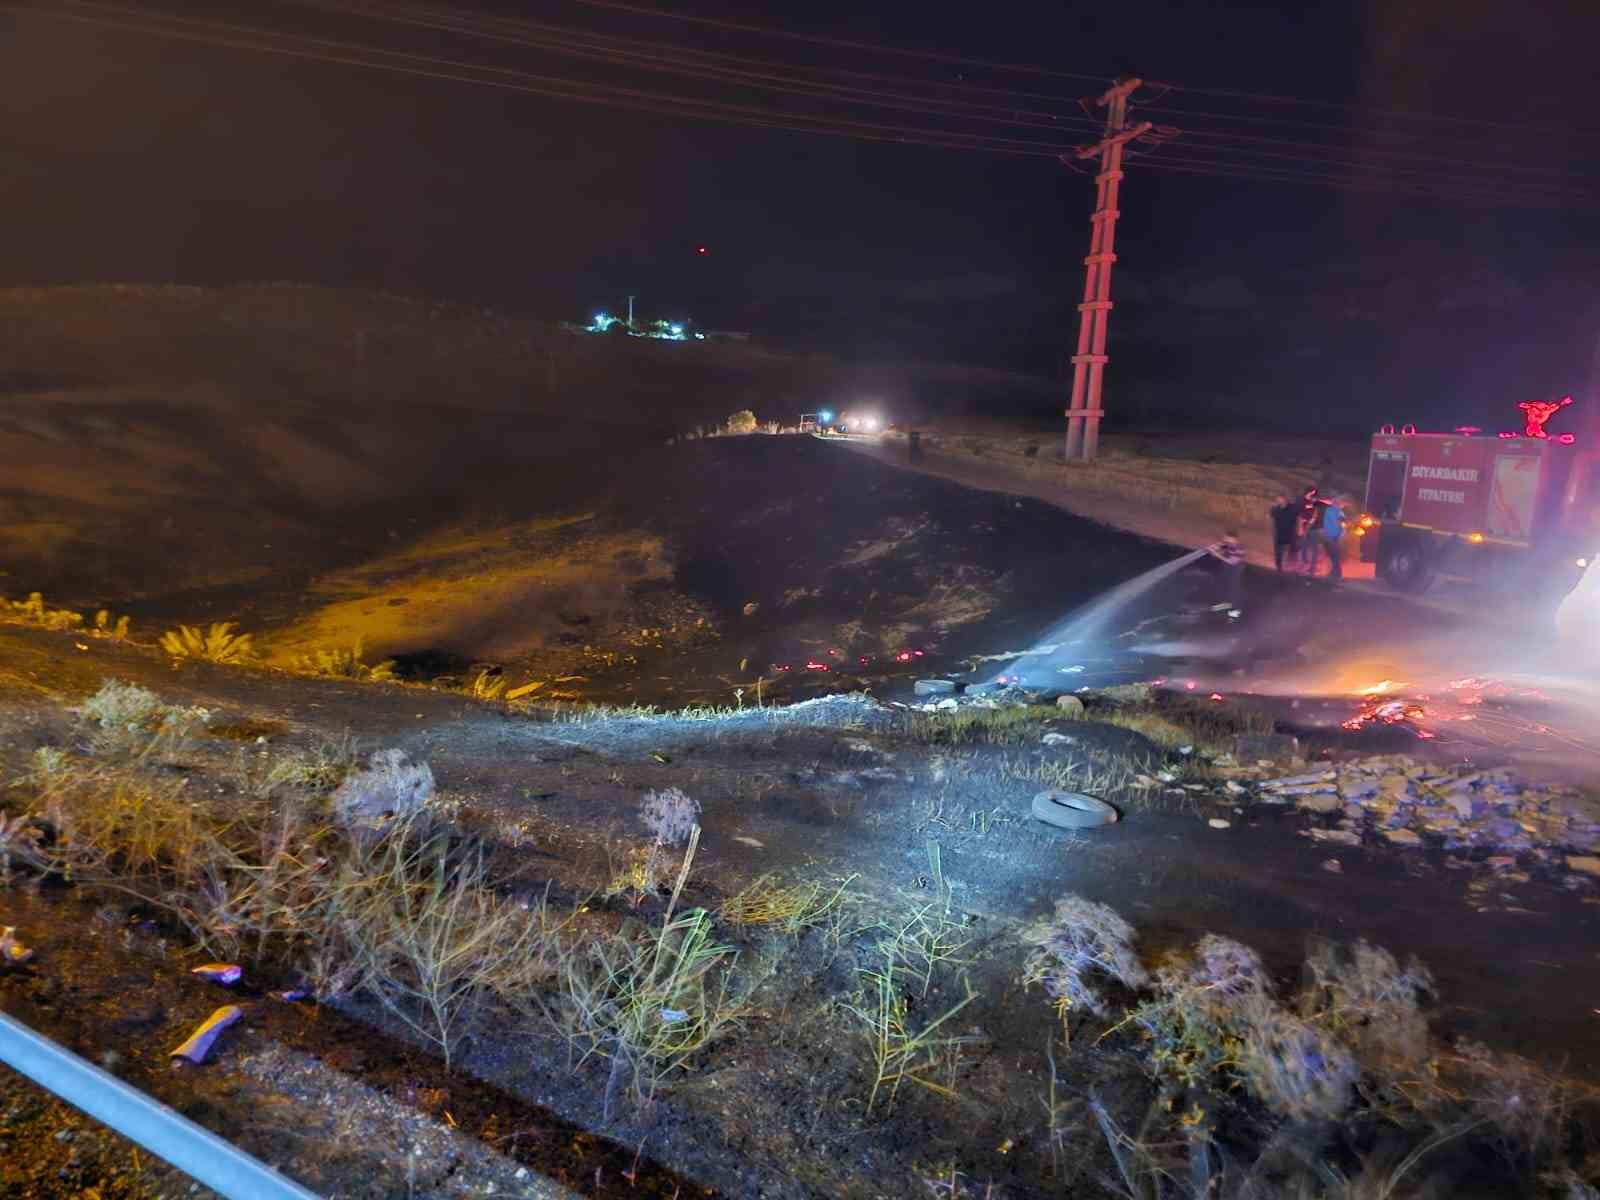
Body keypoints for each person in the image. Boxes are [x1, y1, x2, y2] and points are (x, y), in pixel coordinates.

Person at [1209, 530, 1246, 608]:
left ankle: (1234, 604)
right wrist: (1215, 547)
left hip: (1235, 568)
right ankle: (1223, 603)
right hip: (1227, 567)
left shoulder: (1239, 549)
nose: (1226, 541)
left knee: (1233, 585)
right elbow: (1219, 548)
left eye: (1228, 539)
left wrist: (1217, 554)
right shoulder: (1228, 545)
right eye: (1225, 539)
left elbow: (1231, 561)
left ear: (1235, 540)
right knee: (1222, 583)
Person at [1297, 486, 1329, 575]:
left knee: (1314, 549)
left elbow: (1330, 503)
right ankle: (1305, 564)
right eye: (1311, 495)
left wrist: (1320, 500)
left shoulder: (1319, 504)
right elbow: (1301, 515)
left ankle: (1312, 568)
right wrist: (1301, 527)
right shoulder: (1304, 502)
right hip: (1308, 528)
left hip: (1316, 529)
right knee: (1304, 546)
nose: (1312, 498)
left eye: (1314, 495)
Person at [1269, 495, 1300, 571]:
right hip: (1279, 533)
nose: (1278, 501)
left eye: (1280, 500)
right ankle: (1279, 566)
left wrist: (1298, 529)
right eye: (1277, 500)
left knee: (1292, 549)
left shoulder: (1292, 508)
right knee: (1278, 551)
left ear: (1284, 499)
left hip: (1290, 532)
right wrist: (1273, 531)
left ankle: (1292, 565)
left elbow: (1298, 517)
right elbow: (1272, 518)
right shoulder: (1275, 509)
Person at [1321, 496, 1348, 580]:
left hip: (1331, 537)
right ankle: (1335, 573)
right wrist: (1342, 533)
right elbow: (1341, 523)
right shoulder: (1336, 512)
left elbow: (1341, 524)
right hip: (1332, 537)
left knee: (1334, 556)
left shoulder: (1333, 511)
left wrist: (1342, 532)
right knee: (1333, 556)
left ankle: (1337, 574)